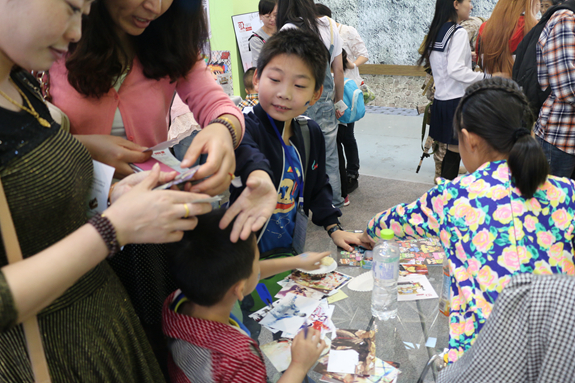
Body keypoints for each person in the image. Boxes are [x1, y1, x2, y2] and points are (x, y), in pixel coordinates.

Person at [46, 0, 274, 375]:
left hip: (153, 227)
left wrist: (222, 130)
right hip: (79, 230)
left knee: (161, 335)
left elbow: (217, 104)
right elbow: (29, 141)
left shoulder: (167, 39)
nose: (154, 6)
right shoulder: (51, 42)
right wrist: (82, 149)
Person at [0, 0, 214, 381]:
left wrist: (110, 189)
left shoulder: (18, 83)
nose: (75, 32)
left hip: (102, 329)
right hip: (48, 351)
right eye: (69, 8)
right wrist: (112, 228)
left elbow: (38, 188)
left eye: (82, 12)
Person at [360, 77, 575, 364]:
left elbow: (389, 224)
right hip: (560, 359)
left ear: (470, 140)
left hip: (480, 364)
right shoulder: (566, 192)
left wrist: (367, 232)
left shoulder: (452, 197)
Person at [231, 29, 366, 315]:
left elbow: (317, 187)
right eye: (275, 79)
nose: (284, 93)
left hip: (287, 249)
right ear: (256, 79)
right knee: (248, 327)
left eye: (300, 85)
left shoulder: (308, 132)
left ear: (316, 94)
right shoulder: (245, 131)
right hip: (241, 259)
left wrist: (334, 228)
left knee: (288, 322)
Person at [163, 209, 328, 383]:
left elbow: (243, 274)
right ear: (239, 288)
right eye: (256, 261)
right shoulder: (239, 359)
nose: (258, 266)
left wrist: (296, 261)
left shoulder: (178, 297)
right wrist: (299, 365)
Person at [277, 0, 347, 208]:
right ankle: (333, 202)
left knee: (299, 154)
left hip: (299, 102)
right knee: (330, 155)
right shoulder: (329, 25)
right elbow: (339, 71)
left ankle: (303, 203)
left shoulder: (288, 30)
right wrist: (338, 102)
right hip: (325, 99)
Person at [418, 0, 486, 180]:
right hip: (456, 101)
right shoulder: (458, 32)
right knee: (456, 153)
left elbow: (443, 62)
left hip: (442, 99)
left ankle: (444, 194)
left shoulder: (438, 30)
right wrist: (485, 77)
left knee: (452, 151)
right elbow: (455, 70)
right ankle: (448, 198)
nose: (471, 7)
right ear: (456, 4)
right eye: (469, 2)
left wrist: (466, 56)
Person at [315, 3, 367, 199]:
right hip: (329, 89)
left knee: (346, 135)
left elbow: (364, 54)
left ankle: (352, 173)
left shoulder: (346, 31)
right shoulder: (317, 33)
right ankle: (341, 177)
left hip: (347, 88)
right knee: (335, 138)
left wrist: (351, 64)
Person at [534, 1, 575, 177]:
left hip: (565, 136)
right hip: (560, 136)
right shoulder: (565, 18)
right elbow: (567, 87)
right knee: (550, 202)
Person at [476, 0, 538, 76]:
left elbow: (478, 59)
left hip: (490, 83)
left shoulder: (485, 27)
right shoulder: (531, 27)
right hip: (519, 84)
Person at [250, 0, 278, 67]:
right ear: (260, 16)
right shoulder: (257, 39)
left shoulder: (286, 30)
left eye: (275, 15)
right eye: (268, 16)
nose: (272, 19)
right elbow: (259, 66)